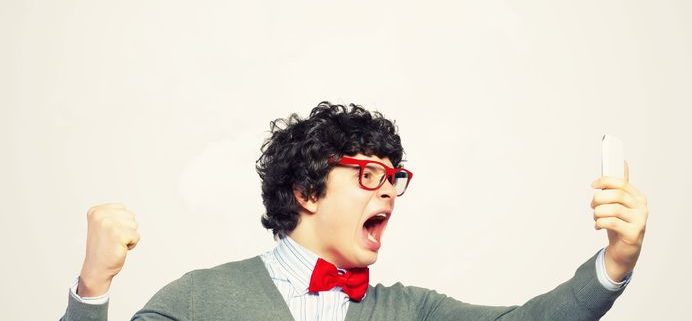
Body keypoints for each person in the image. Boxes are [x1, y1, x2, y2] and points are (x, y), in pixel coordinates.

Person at [60, 102, 649, 321]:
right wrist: (93, 290)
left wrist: (614, 262)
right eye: (368, 175)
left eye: (395, 178)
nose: (388, 191)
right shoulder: (198, 302)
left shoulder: (412, 311)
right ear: (308, 191)